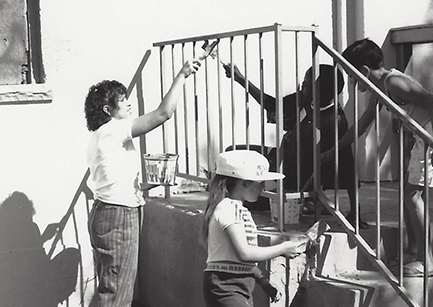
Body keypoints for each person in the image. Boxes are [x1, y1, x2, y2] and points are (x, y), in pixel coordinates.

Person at [324, 38, 433, 276]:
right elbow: (361, 126)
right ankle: (415, 253)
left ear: (363, 71)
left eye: (351, 76)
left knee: (413, 196)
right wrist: (332, 151)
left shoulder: (393, 82)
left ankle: (427, 262)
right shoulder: (380, 88)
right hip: (426, 137)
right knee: (409, 194)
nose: (351, 82)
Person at [84, 58, 201, 306]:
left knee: (113, 289)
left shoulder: (100, 137)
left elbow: (113, 182)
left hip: (108, 211)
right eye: (122, 99)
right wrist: (182, 74)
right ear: (107, 110)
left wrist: (147, 185)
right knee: (118, 296)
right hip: (119, 216)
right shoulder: (112, 129)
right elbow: (163, 113)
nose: (129, 102)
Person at [223, 63, 369, 228]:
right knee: (232, 153)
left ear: (317, 93)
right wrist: (241, 79)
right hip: (280, 158)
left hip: (292, 181)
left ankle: (308, 201)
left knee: (250, 199)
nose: (301, 86)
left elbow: (348, 165)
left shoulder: (334, 120)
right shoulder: (304, 99)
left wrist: (355, 211)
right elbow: (272, 104)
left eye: (305, 85)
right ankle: (309, 202)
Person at [199, 150, 307, 307]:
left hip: (238, 286)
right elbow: (245, 254)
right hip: (225, 286)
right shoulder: (229, 209)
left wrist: (264, 282)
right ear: (244, 184)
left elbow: (239, 260)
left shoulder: (238, 210)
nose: (263, 188)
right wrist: (283, 248)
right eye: (260, 183)